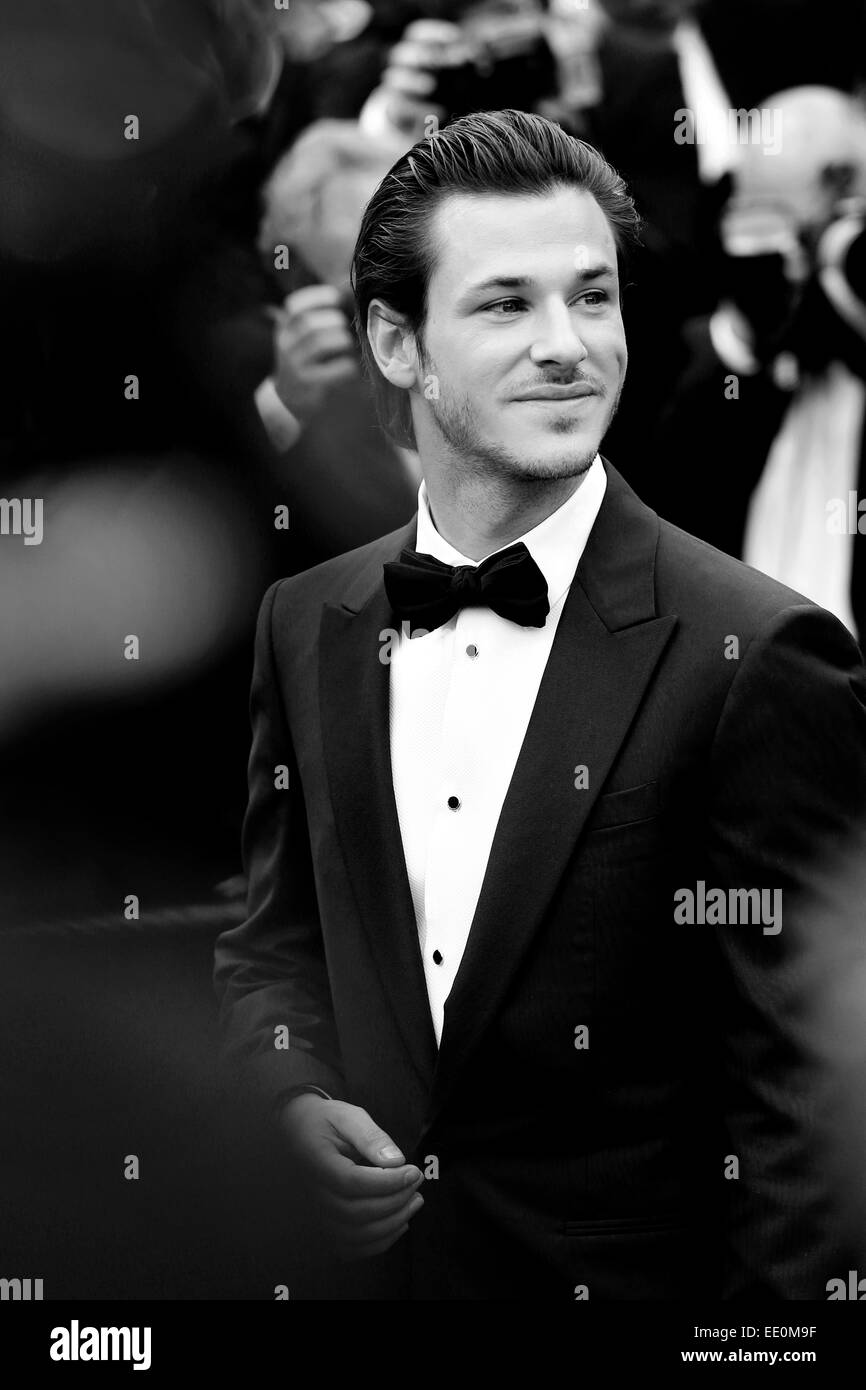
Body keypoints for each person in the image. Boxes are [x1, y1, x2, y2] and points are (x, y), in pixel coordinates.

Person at [214, 109, 866, 1300]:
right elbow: (272, 945)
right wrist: (289, 1096)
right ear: (395, 343)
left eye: (593, 296)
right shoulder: (303, 621)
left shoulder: (759, 654)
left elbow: (808, 1122)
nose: (568, 345)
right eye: (505, 303)